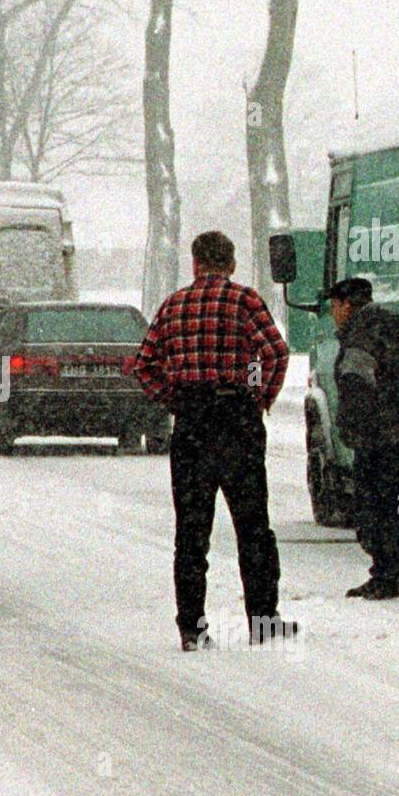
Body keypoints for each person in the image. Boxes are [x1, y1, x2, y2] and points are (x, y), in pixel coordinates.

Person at [134, 230, 296, 652]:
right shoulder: (245, 301)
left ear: (194, 263)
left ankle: (192, 626)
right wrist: (259, 394)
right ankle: (262, 620)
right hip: (236, 421)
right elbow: (276, 352)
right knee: (252, 526)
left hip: (191, 424)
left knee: (191, 532)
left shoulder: (173, 305)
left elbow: (144, 365)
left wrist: (176, 399)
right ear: (232, 263)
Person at [329, 277, 399, 600]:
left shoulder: (360, 335)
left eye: (334, 307)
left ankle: (385, 576)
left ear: (347, 304)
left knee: (375, 507)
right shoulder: (394, 326)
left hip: (376, 439)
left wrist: (353, 430)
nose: (334, 314)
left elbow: (356, 387)